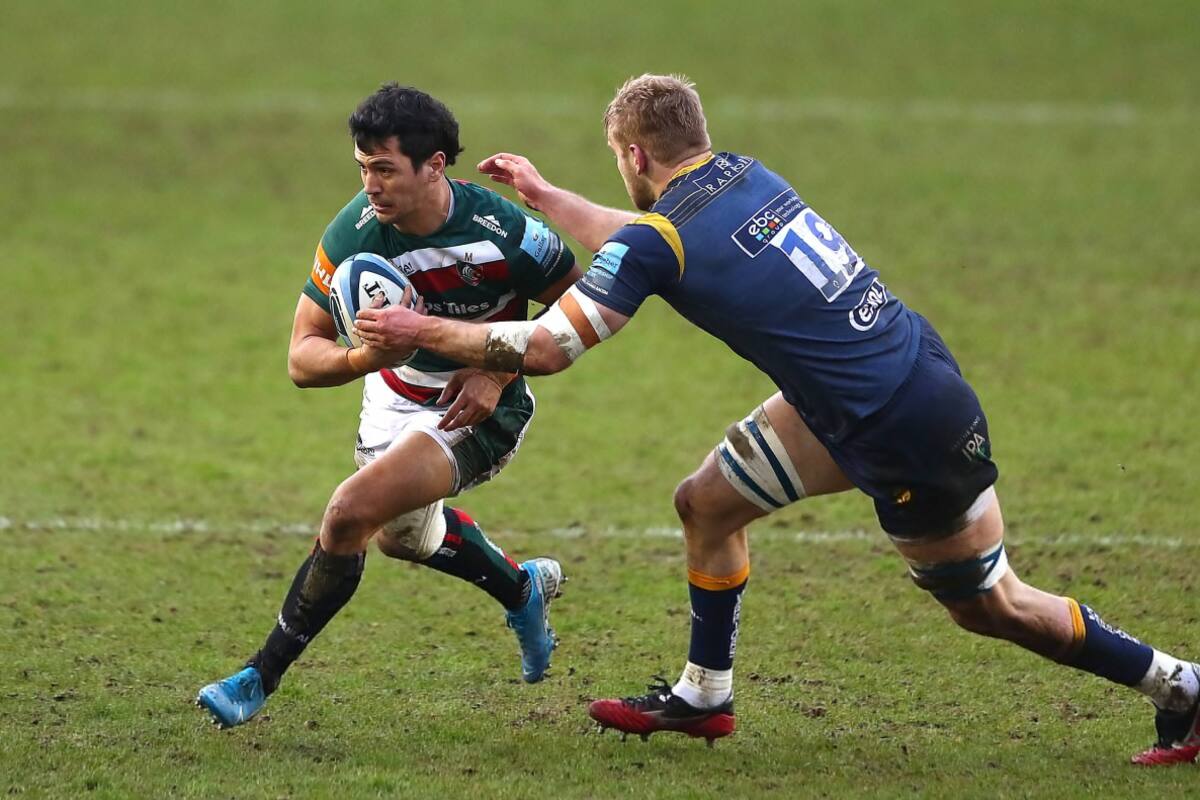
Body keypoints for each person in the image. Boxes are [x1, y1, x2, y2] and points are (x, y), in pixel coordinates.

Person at [352, 74, 1200, 763]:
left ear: (635, 152)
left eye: (617, 158)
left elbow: (546, 347)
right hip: (884, 383)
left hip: (894, 428)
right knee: (708, 503)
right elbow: (645, 240)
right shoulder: (744, 177)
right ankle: (704, 698)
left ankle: (1181, 686)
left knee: (992, 606)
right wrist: (547, 196)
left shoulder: (660, 237)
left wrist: (420, 330)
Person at [195, 84, 581, 729]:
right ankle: (522, 587)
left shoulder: (504, 233)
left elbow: (580, 306)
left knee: (349, 513)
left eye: (384, 168)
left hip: (479, 407)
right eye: (362, 168)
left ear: (435, 166)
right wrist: (361, 360)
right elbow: (301, 357)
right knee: (404, 538)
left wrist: (493, 370)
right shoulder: (355, 234)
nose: (370, 185)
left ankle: (256, 677)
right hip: (392, 397)